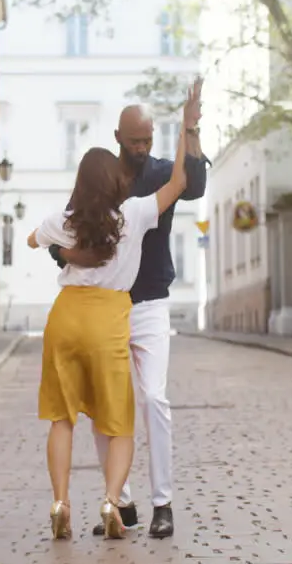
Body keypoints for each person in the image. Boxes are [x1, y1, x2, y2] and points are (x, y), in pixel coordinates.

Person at [49, 81, 209, 538]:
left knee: (154, 398)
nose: (142, 148)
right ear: (118, 138)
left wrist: (190, 127)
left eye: (148, 140)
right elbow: (62, 240)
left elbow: (192, 184)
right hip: (105, 311)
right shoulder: (98, 180)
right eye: (135, 141)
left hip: (151, 303)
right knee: (103, 409)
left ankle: (163, 504)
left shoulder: (160, 172)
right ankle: (120, 502)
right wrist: (77, 258)